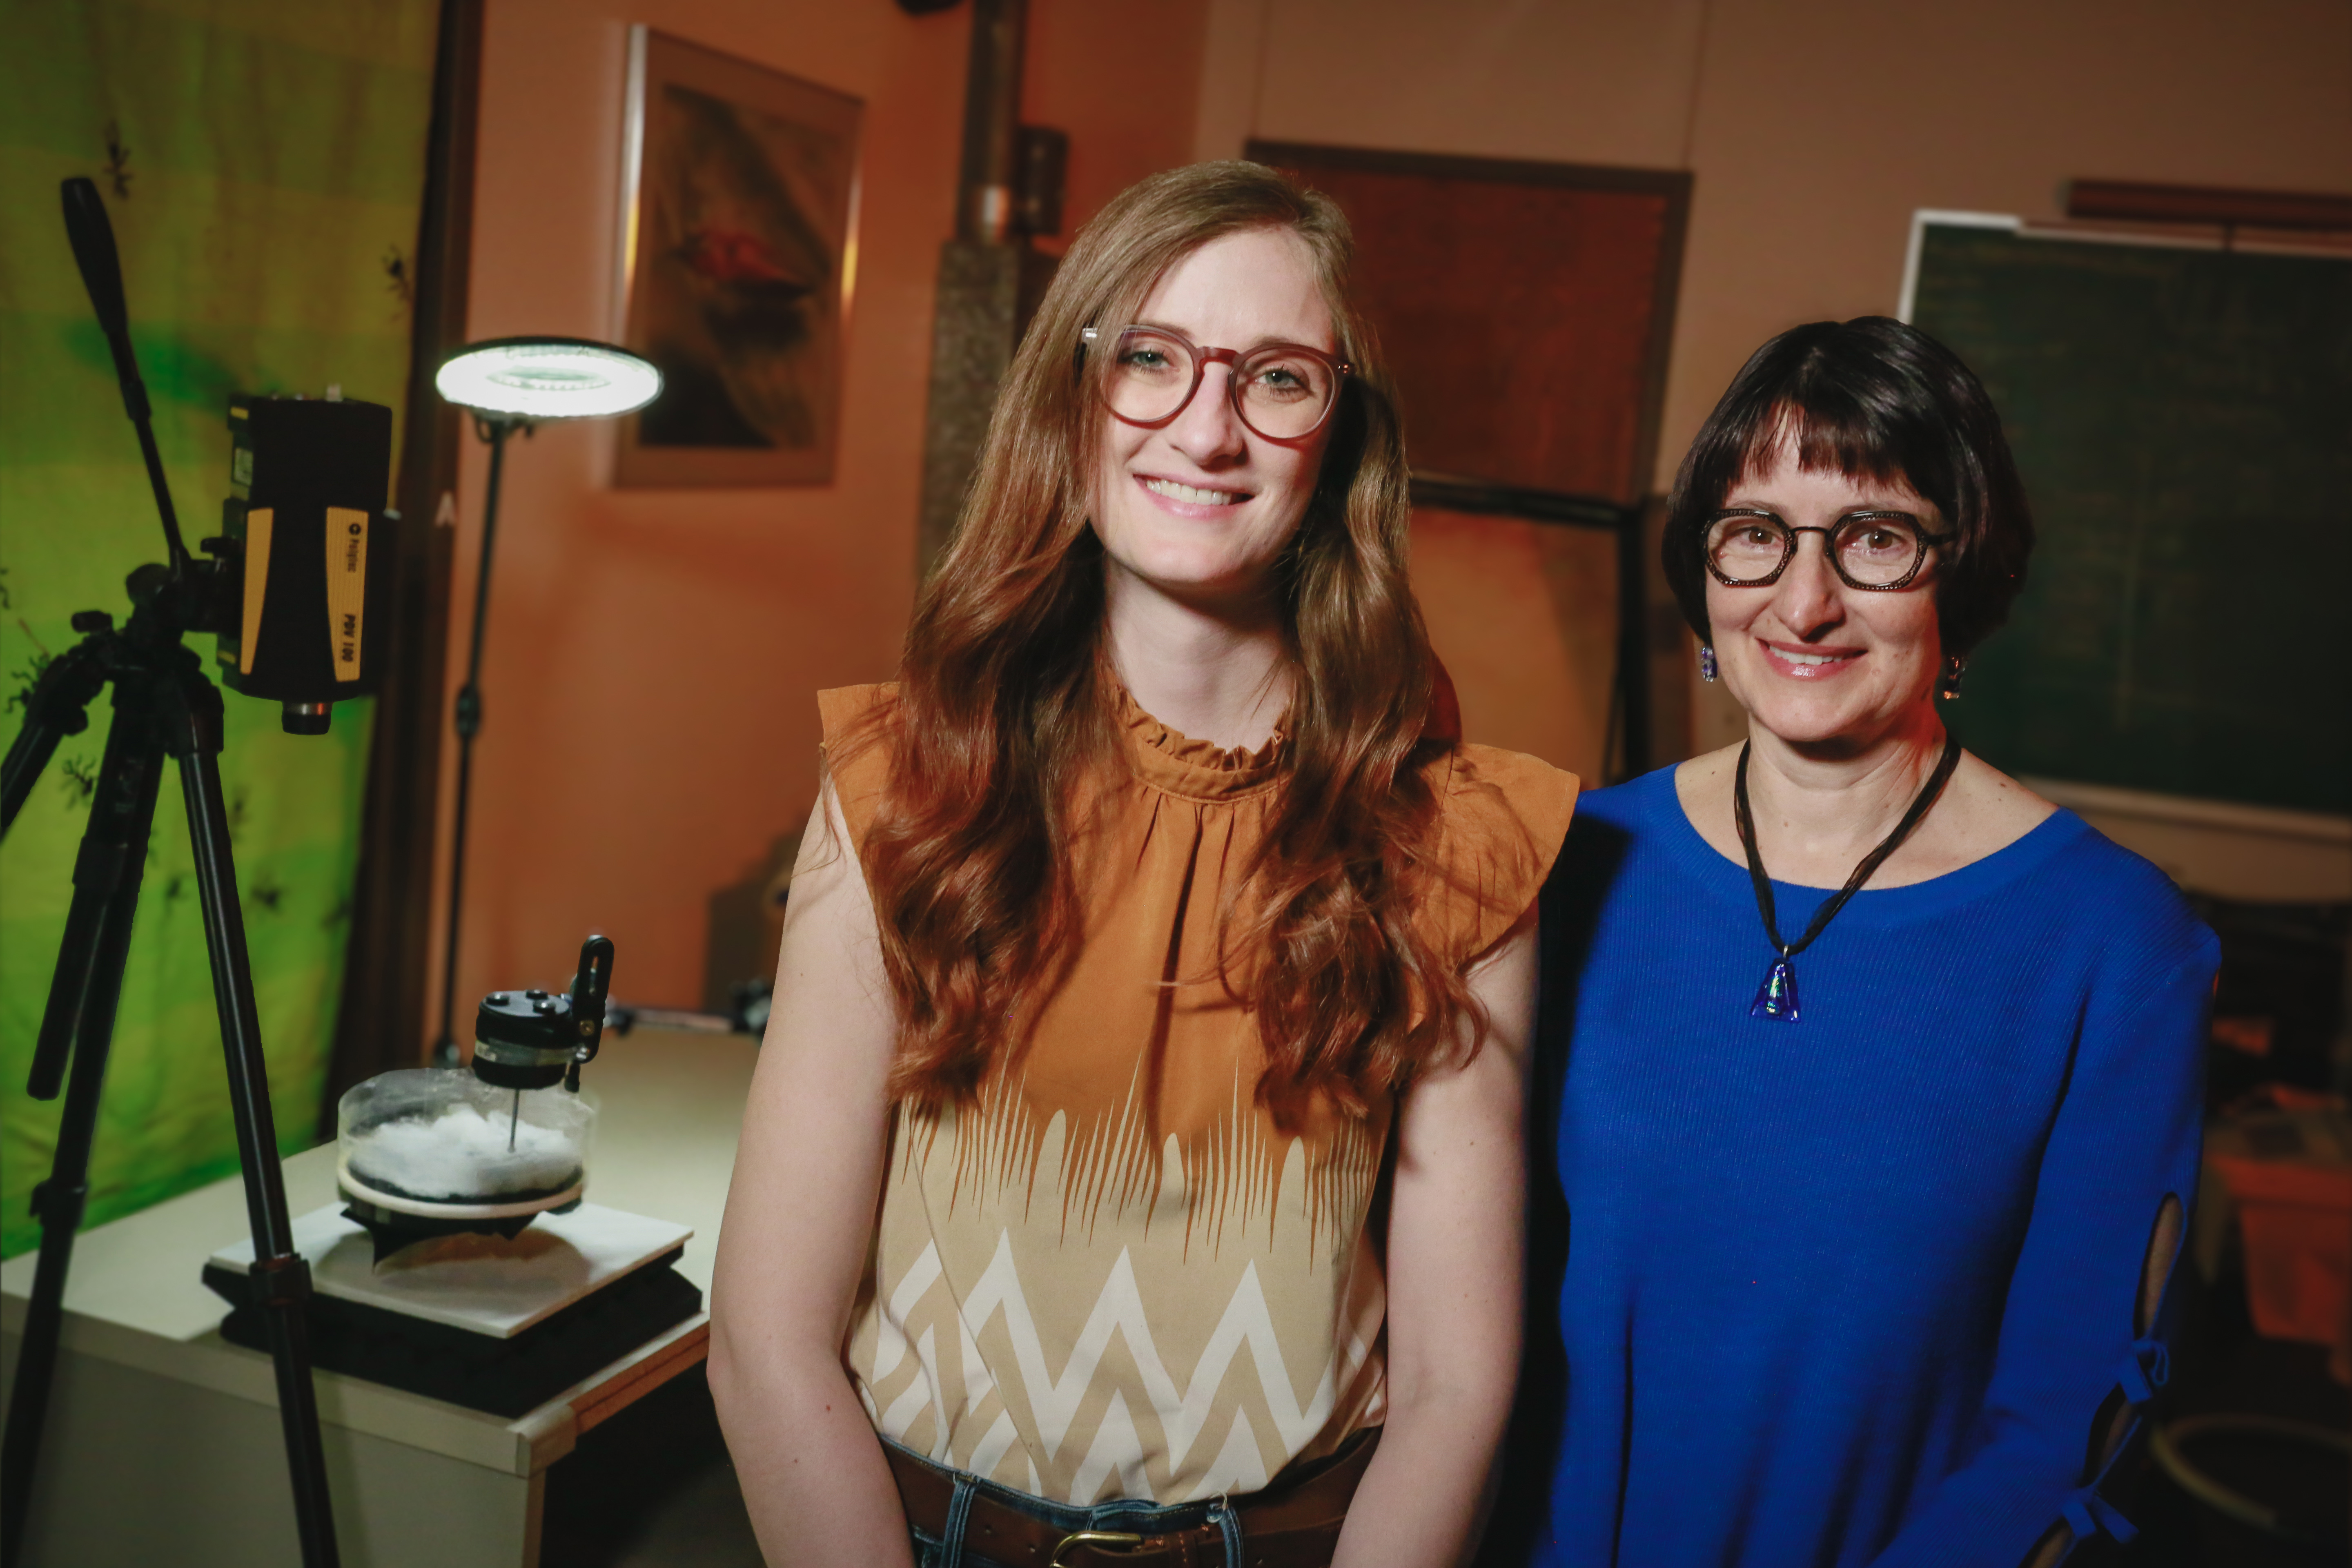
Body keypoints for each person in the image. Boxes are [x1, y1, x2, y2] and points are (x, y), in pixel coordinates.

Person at [708, 162, 1578, 1568]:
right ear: (1074, 396)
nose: (1207, 429)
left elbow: (1452, 1387)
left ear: (1340, 432)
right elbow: (764, 1339)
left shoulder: (1458, 846)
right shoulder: (904, 784)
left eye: (1278, 379)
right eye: (1154, 360)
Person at [1509, 317, 2217, 1567]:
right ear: (1705, 569)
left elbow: (2068, 1417)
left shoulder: (2114, 945)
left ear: (1965, 567)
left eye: (1875, 539)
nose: (1805, 600)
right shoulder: (1559, 868)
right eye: (1756, 535)